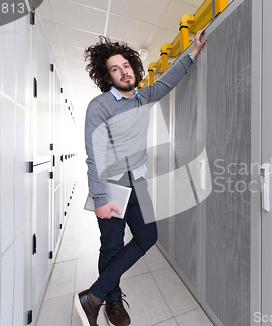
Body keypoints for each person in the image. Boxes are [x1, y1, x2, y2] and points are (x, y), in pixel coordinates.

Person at [75, 29, 207, 326]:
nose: (123, 72)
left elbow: (168, 81)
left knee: (148, 236)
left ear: (134, 68)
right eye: (115, 69)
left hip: (139, 182)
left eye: (126, 66)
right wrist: (99, 198)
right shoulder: (100, 106)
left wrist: (193, 52)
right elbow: (93, 155)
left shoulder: (143, 97)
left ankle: (93, 296)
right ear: (107, 77)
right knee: (111, 247)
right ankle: (110, 301)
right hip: (112, 186)